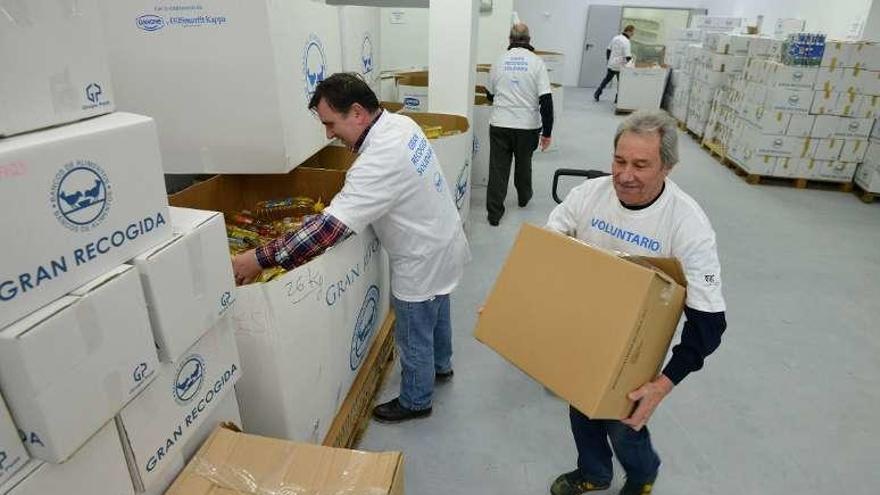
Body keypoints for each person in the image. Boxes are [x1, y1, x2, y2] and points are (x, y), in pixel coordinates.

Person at [232, 73, 471, 423]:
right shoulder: (400, 124)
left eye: (331, 123)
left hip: (421, 256)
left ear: (357, 113)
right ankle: (441, 366)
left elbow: (330, 229)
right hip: (443, 239)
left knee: (413, 328)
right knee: (438, 306)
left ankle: (417, 400)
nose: (329, 134)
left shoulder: (379, 160)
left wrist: (259, 258)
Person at [545, 111, 727, 495]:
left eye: (641, 165)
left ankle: (643, 474)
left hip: (638, 338)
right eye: (619, 161)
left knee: (623, 418)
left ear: (668, 167)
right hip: (588, 319)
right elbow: (547, 248)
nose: (626, 175)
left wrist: (664, 383)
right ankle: (594, 472)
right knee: (580, 401)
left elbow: (709, 322)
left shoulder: (687, 224)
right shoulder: (589, 195)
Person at [484, 22, 554, 226]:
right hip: (527, 127)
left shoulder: (498, 62)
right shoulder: (536, 63)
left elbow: (490, 95)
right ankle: (524, 197)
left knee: (498, 169)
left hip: (500, 124)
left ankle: (494, 214)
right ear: (529, 40)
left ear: (509, 40)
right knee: (524, 164)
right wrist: (547, 133)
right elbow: (546, 101)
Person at [594, 25, 635, 103]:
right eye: (632, 33)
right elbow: (628, 56)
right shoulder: (626, 41)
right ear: (629, 31)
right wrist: (631, 66)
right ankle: (617, 99)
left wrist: (609, 60)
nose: (633, 34)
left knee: (607, 79)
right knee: (621, 83)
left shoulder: (615, 38)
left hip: (612, 63)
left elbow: (608, 50)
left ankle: (597, 93)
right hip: (620, 65)